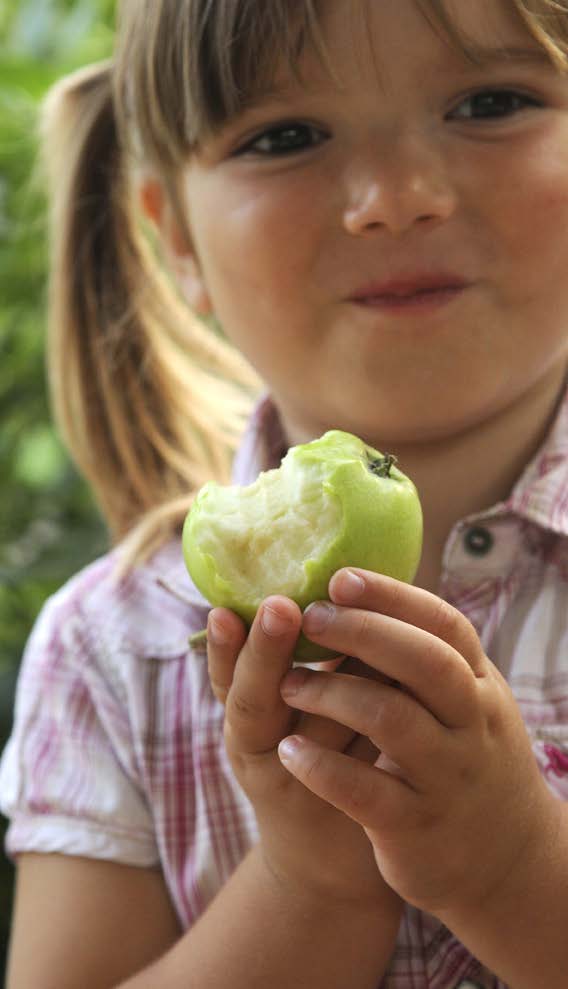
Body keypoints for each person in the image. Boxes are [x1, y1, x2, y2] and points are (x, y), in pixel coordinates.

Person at [1, 0, 567, 985]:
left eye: (489, 101)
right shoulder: (111, 649)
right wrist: (311, 884)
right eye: (287, 135)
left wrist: (516, 869)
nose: (395, 197)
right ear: (173, 235)